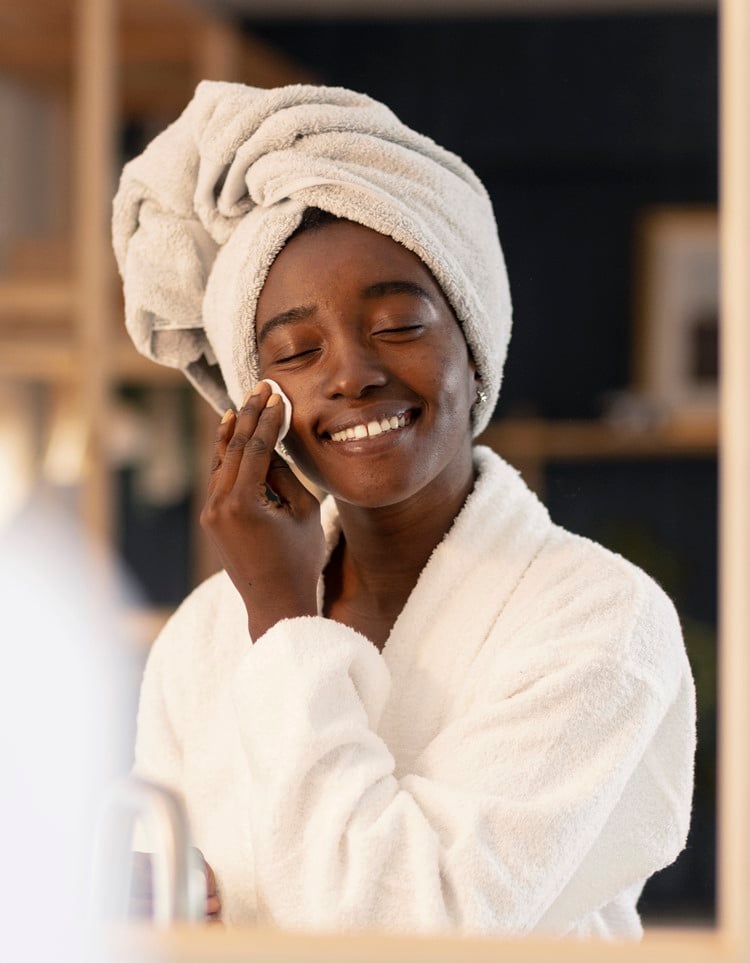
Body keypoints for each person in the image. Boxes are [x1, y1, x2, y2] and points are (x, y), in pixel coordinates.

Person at [112, 81, 695, 939]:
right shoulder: (201, 640)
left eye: (397, 324)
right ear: (251, 400)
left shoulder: (600, 623)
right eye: (298, 350)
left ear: (475, 343)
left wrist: (282, 624)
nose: (350, 372)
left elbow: (404, 931)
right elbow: (166, 906)